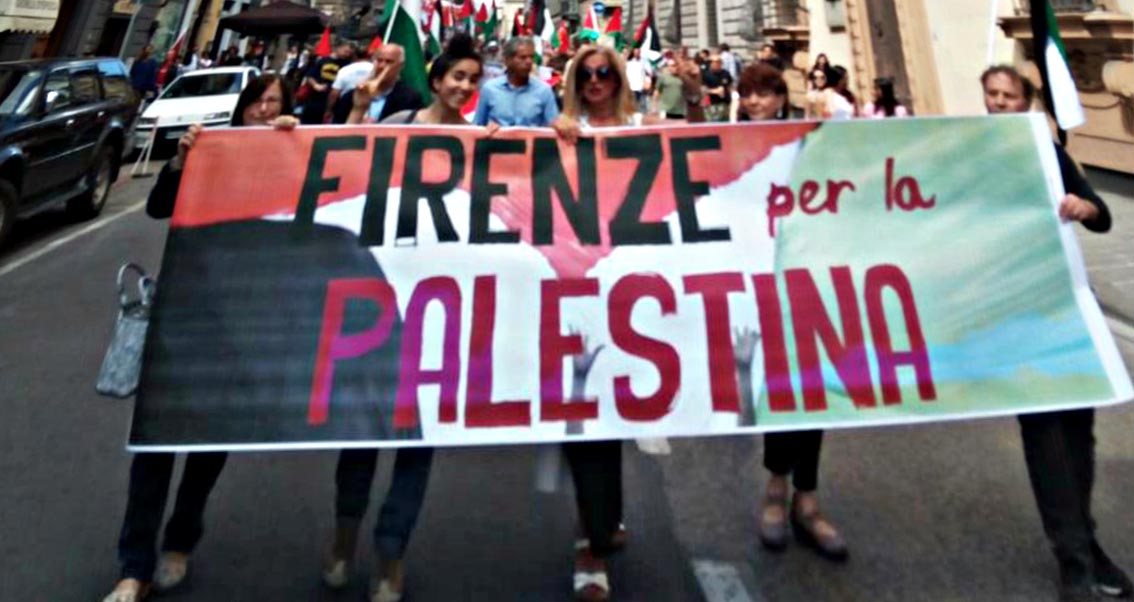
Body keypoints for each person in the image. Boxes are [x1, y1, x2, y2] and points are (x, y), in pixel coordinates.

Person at [100, 74, 299, 602]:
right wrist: (181, 160)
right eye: (257, 101)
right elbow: (159, 207)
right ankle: (134, 566)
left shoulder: (291, 154)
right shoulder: (210, 148)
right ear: (242, 106)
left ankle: (181, 538)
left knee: (209, 443)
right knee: (155, 442)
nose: (264, 110)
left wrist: (298, 142)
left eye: (274, 102)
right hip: (185, 310)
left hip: (243, 320)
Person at [327, 33, 490, 602]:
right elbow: (344, 164)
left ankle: (391, 553)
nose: (465, 86)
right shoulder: (399, 124)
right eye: (457, 76)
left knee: (419, 437)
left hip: (439, 309)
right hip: (379, 301)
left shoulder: (477, 141)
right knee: (362, 434)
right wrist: (356, 109)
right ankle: (344, 536)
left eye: (474, 79)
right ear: (438, 79)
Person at [551, 45, 702, 602]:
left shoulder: (643, 128)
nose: (596, 81)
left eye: (605, 73)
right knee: (583, 421)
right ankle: (589, 545)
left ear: (619, 79)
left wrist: (693, 93)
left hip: (636, 298)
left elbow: (700, 146)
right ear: (575, 82)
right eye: (586, 74)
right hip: (576, 293)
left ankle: (603, 518)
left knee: (613, 417)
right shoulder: (560, 133)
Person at [982, 64, 1129, 602]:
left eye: (1009, 95)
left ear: (1025, 102)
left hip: (1064, 311)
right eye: (992, 94)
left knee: (1078, 435)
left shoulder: (1049, 154)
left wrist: (1084, 205)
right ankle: (1073, 560)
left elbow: (1102, 215)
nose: (1000, 102)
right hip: (1013, 317)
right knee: (1045, 437)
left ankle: (1086, 542)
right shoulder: (971, 153)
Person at [730, 61, 849, 564]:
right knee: (778, 383)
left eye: (764, 93)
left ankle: (808, 497)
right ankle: (776, 490)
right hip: (757, 279)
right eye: (747, 94)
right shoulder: (728, 144)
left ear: (781, 98)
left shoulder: (806, 139)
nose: (755, 102)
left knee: (811, 385)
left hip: (807, 273)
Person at [473, 35, 559, 127]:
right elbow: (477, 126)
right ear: (507, 60)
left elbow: (554, 126)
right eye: (523, 57)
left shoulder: (544, 91)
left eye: (531, 57)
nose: (529, 62)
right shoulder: (489, 89)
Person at [337, 43, 424, 124]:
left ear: (400, 66)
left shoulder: (410, 98)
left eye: (389, 62)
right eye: (379, 61)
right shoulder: (352, 95)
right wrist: (358, 109)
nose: (382, 66)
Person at [326, 45, 383, 124]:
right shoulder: (376, 70)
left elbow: (335, 93)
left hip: (344, 106)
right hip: (366, 107)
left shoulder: (345, 69)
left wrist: (329, 109)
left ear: (354, 56)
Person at [301, 42, 353, 125]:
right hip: (315, 100)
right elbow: (310, 76)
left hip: (333, 102)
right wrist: (316, 85)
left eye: (349, 53)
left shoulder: (347, 65)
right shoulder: (322, 60)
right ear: (338, 48)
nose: (347, 54)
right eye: (345, 51)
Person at [702, 54, 733, 122]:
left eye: (719, 62)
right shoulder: (706, 74)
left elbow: (730, 87)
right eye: (715, 62)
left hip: (725, 103)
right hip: (712, 105)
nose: (718, 64)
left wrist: (732, 100)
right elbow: (702, 90)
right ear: (711, 63)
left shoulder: (725, 73)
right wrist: (714, 91)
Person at [625, 47, 647, 113]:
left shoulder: (644, 62)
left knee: (637, 105)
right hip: (629, 87)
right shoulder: (628, 62)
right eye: (635, 52)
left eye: (638, 52)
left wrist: (646, 83)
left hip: (639, 87)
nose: (637, 54)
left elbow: (649, 73)